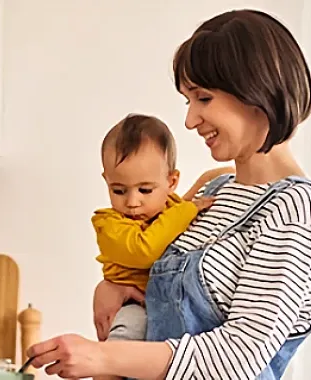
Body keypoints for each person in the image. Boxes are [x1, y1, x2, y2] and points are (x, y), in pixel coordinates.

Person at [27, 8, 311, 380]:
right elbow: (149, 266)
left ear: (257, 92)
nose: (190, 120)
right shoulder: (212, 188)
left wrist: (102, 358)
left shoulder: (297, 210)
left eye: (203, 99)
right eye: (187, 101)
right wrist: (110, 285)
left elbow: (238, 358)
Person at [92, 113, 224, 380]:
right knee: (124, 338)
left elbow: (224, 175)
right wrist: (186, 211)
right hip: (135, 303)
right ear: (106, 180)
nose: (131, 202)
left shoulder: (174, 208)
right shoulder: (108, 223)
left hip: (170, 309)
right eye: (118, 190)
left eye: (145, 190)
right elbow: (145, 250)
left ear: (171, 182)